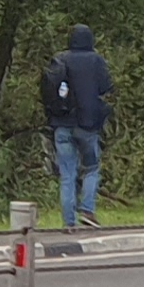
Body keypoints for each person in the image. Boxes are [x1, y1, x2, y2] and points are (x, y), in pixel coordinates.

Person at [43, 24, 112, 230]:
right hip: (87, 125)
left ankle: (68, 222)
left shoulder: (60, 59)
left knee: (67, 173)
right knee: (91, 168)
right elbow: (106, 87)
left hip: (62, 125)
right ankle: (87, 210)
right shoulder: (96, 60)